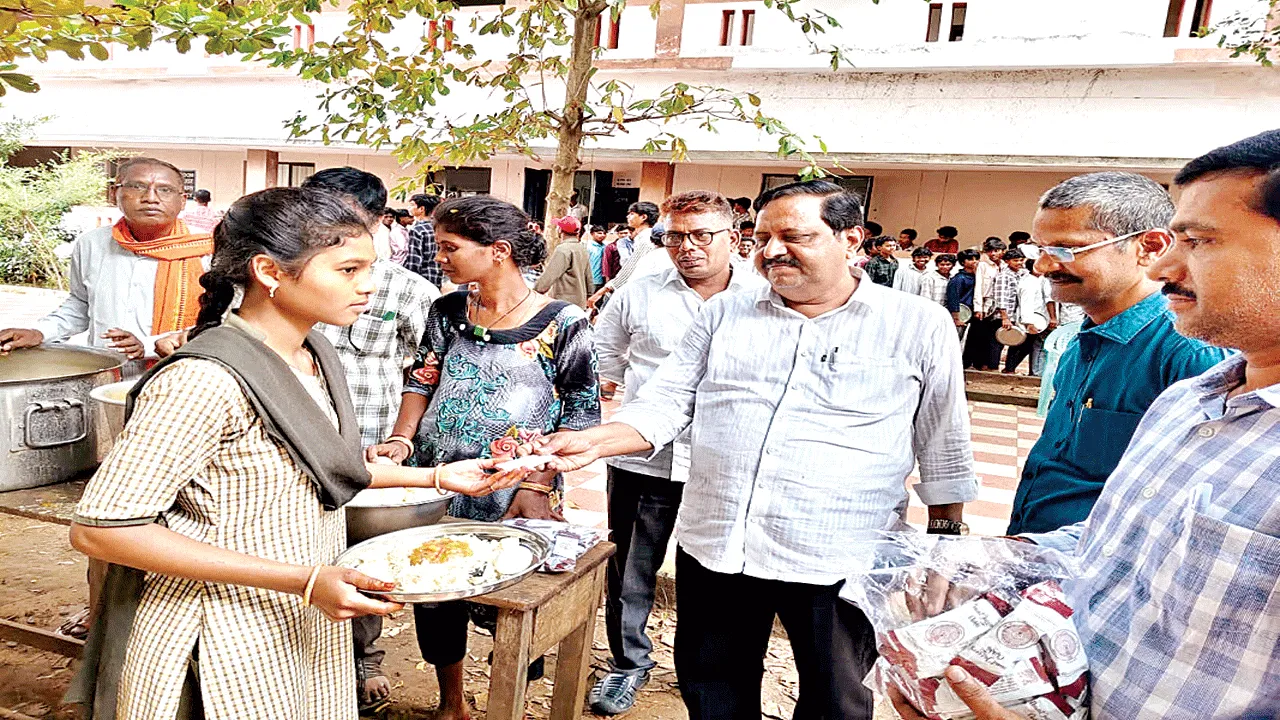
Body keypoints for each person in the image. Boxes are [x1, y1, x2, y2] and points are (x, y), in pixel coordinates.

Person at [62, 186, 528, 720]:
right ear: (269, 271)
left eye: (370, 268)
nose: (369, 286)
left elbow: (315, 469)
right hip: (222, 629)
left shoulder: (314, 355)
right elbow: (102, 530)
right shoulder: (203, 380)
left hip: (300, 618)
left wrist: (439, 478)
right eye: (348, 270)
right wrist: (303, 581)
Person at [535, 179, 977, 720]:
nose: (771, 250)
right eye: (762, 237)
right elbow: (665, 403)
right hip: (719, 543)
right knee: (712, 687)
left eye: (794, 236)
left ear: (851, 239)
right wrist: (588, 443)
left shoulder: (916, 323)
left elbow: (944, 444)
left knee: (836, 700)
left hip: (839, 556)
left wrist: (944, 546)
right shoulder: (724, 314)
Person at [894, 128, 1280, 720]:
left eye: (1200, 241)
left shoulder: (1184, 355)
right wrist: (1005, 557)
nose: (1169, 268)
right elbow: (1124, 540)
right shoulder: (1190, 400)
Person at [366, 196, 600, 720]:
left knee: (515, 596)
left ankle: (507, 701)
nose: (439, 257)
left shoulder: (563, 321)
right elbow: (422, 379)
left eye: (450, 247)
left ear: (498, 251)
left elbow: (581, 413)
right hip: (439, 482)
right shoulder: (448, 311)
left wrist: (536, 485)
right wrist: (402, 442)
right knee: (436, 589)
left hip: (514, 487)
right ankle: (452, 703)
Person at [589, 190, 767, 716]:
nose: (687, 247)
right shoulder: (638, 293)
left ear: (732, 238)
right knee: (631, 568)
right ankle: (628, 663)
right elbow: (605, 356)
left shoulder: (765, 297)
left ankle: (709, 671)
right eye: (674, 237)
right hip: (644, 457)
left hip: (727, 464)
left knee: (720, 572)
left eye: (702, 235)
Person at [1006, 171, 1227, 534]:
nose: (1043, 266)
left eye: (1065, 250)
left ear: (1150, 247)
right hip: (1036, 548)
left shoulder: (1190, 352)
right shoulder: (1083, 340)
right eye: (1040, 250)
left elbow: (1191, 503)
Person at [0, 158, 213, 376]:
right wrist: (39, 333)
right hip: (104, 377)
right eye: (137, 186)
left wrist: (148, 346)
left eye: (165, 190)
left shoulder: (208, 250)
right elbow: (81, 304)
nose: (151, 198)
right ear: (113, 193)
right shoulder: (91, 244)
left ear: (182, 201)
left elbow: (220, 321)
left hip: (179, 377)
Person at [587, 201, 660, 309]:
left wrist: (603, 290)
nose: (628, 217)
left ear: (643, 217)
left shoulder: (646, 239)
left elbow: (630, 268)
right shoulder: (642, 238)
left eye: (632, 214)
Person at [534, 215, 595, 308]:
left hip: (563, 302)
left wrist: (535, 291)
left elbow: (549, 276)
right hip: (579, 303)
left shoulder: (562, 249)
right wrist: (590, 295)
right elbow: (589, 276)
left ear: (560, 230)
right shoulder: (582, 249)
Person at [992, 246, 1030, 371]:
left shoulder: (1022, 274)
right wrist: (1005, 317)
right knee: (999, 342)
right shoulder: (1004, 276)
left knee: (1016, 341)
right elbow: (1001, 297)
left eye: (1021, 260)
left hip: (1016, 314)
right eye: (1015, 260)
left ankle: (1009, 368)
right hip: (1004, 315)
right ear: (1007, 261)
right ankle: (993, 369)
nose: (1019, 263)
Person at [405, 193, 445, 288]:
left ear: (421, 209)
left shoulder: (417, 230)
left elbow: (414, 261)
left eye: (412, 205)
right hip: (437, 276)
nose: (409, 208)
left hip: (422, 279)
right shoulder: (439, 228)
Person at [945, 249, 980, 342]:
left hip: (971, 314)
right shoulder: (959, 279)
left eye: (976, 259)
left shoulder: (978, 276)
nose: (975, 261)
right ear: (963, 262)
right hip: (961, 315)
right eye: (970, 259)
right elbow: (953, 298)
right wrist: (956, 318)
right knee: (954, 340)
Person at [587, 223, 607, 289]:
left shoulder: (605, 247)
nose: (602, 235)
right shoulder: (588, 247)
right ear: (592, 234)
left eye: (604, 233)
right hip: (591, 280)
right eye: (599, 233)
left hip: (603, 280)